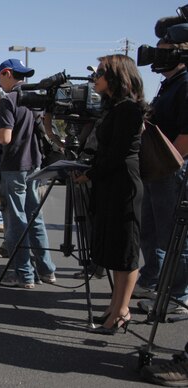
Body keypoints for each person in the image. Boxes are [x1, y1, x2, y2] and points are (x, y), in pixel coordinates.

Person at [73, 54, 147, 334]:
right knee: (115, 250)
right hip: (110, 183)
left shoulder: (128, 109)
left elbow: (117, 153)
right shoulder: (116, 108)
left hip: (123, 185)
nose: (95, 78)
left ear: (116, 77)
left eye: (101, 73)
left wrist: (89, 174)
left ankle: (121, 311)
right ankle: (115, 307)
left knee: (126, 251)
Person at [0, 58, 56, 289]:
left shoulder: (10, 101)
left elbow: (5, 138)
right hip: (34, 165)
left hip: (14, 166)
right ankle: (47, 270)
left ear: (7, 73)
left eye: (0, 78)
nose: (0, 84)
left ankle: (24, 274)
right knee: (35, 218)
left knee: (16, 221)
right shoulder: (35, 99)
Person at [134, 37, 188, 316]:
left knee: (173, 236)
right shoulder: (170, 83)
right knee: (151, 231)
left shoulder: (186, 83)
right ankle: (152, 278)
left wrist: (169, 163)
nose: (157, 56)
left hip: (171, 170)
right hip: (156, 170)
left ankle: (178, 296)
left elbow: (185, 135)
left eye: (164, 51)